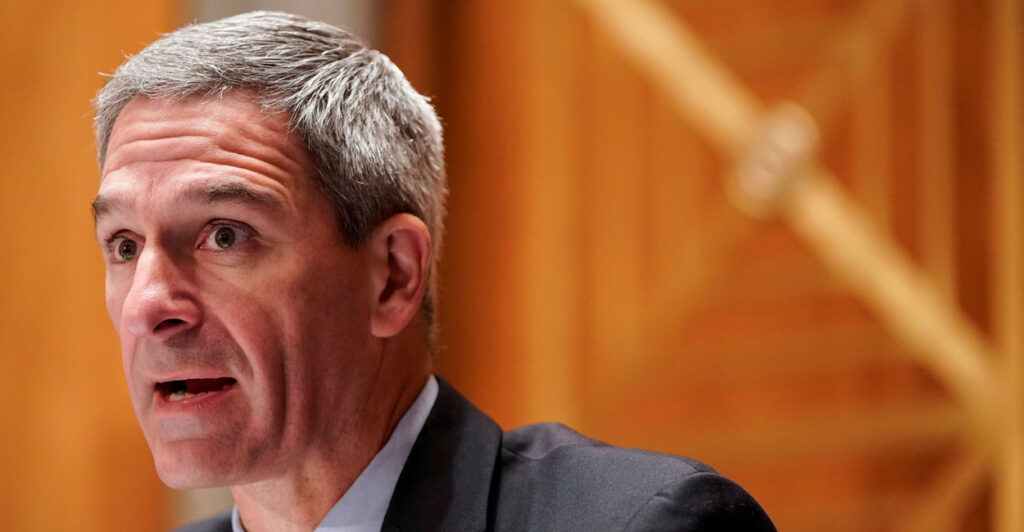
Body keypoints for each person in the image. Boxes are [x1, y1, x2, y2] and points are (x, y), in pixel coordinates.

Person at [91, 11, 775, 532]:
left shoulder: (645, 525)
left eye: (224, 235)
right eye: (123, 245)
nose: (148, 302)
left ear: (392, 275)